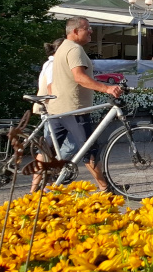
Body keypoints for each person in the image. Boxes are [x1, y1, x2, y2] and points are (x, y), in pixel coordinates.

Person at [49, 16, 123, 190]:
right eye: (87, 28)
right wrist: (107, 89)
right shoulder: (74, 49)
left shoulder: (62, 48)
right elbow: (79, 77)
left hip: (58, 108)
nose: (91, 31)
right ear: (75, 31)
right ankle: (105, 189)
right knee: (88, 149)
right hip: (74, 109)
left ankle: (34, 189)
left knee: (47, 149)